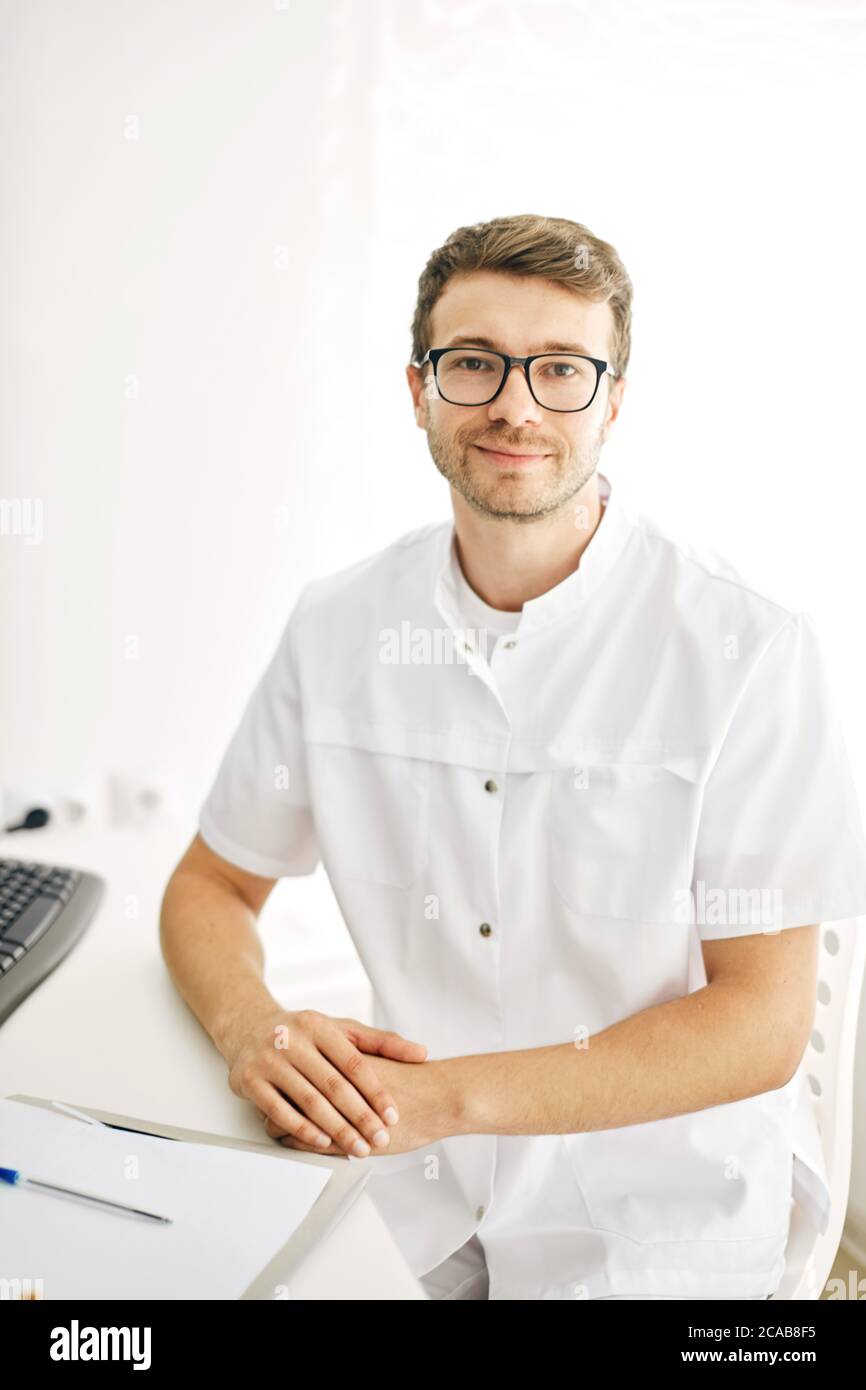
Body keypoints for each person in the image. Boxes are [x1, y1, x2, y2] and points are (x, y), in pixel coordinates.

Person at [160, 214, 866, 1300]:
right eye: (475, 362)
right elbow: (213, 880)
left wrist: (449, 1098)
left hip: (653, 1216)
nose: (514, 404)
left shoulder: (748, 644)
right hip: (410, 1187)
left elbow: (758, 1026)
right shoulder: (338, 623)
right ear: (418, 388)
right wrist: (253, 1027)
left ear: (614, 400)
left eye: (559, 370)